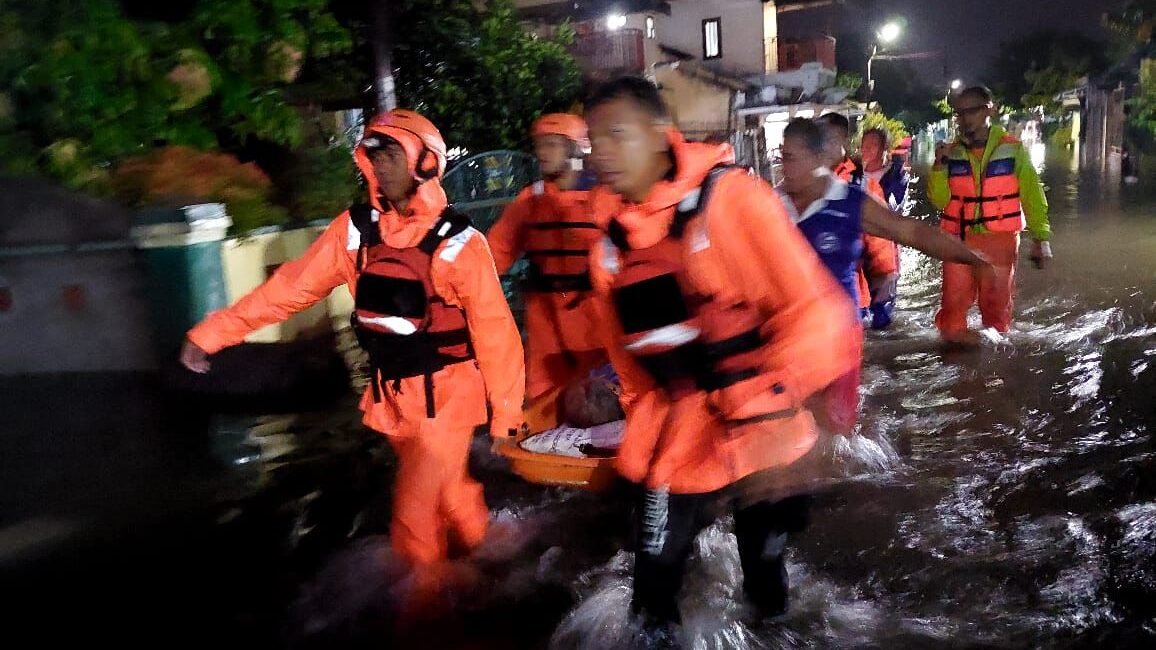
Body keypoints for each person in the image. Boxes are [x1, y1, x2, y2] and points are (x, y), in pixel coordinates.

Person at [179, 109, 525, 603]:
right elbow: (289, 290)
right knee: (449, 494)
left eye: (392, 156)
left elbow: (496, 333)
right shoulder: (356, 232)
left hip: (447, 400)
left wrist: (507, 415)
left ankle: (424, 619)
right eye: (374, 156)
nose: (380, 166)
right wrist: (213, 334)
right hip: (393, 396)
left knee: (413, 514)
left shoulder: (459, 245)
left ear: (425, 163)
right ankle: (495, 561)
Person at [583, 76, 862, 629]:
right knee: (650, 597)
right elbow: (628, 359)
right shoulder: (610, 246)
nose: (602, 153)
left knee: (768, 591)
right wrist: (627, 415)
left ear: (663, 136)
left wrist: (784, 420)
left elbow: (820, 314)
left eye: (618, 135)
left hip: (763, 435)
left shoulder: (732, 200)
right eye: (594, 140)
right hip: (678, 441)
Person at [776, 118, 995, 432]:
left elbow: (912, 232)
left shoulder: (851, 202)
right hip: (785, 332)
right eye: (783, 156)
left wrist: (972, 258)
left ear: (818, 159)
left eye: (792, 158)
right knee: (786, 425)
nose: (785, 167)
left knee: (835, 428)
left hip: (836, 335)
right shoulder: (770, 203)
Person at [487, 114, 607, 401]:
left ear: (575, 149)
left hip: (596, 318)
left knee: (603, 401)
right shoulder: (530, 201)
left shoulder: (604, 199)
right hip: (545, 318)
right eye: (540, 145)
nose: (542, 152)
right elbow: (494, 253)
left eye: (552, 144)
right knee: (541, 397)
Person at [929, 85, 1053, 344]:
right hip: (957, 240)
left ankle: (994, 374)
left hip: (1000, 240)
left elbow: (1032, 195)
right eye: (959, 113)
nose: (964, 119)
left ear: (990, 110)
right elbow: (940, 200)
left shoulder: (1013, 149)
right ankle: (955, 370)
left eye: (971, 111)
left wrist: (1041, 239)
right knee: (952, 312)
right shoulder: (950, 153)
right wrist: (939, 167)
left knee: (996, 315)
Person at [817, 112, 900, 330]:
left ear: (844, 139)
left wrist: (884, 288)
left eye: (830, 138)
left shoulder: (864, 185)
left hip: (852, 291)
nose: (824, 144)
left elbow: (881, 242)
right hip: (813, 293)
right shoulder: (804, 181)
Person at [860, 127, 911, 211]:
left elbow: (896, 210)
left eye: (874, 144)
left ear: (884, 148)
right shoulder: (851, 175)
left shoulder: (897, 176)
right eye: (865, 143)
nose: (868, 147)